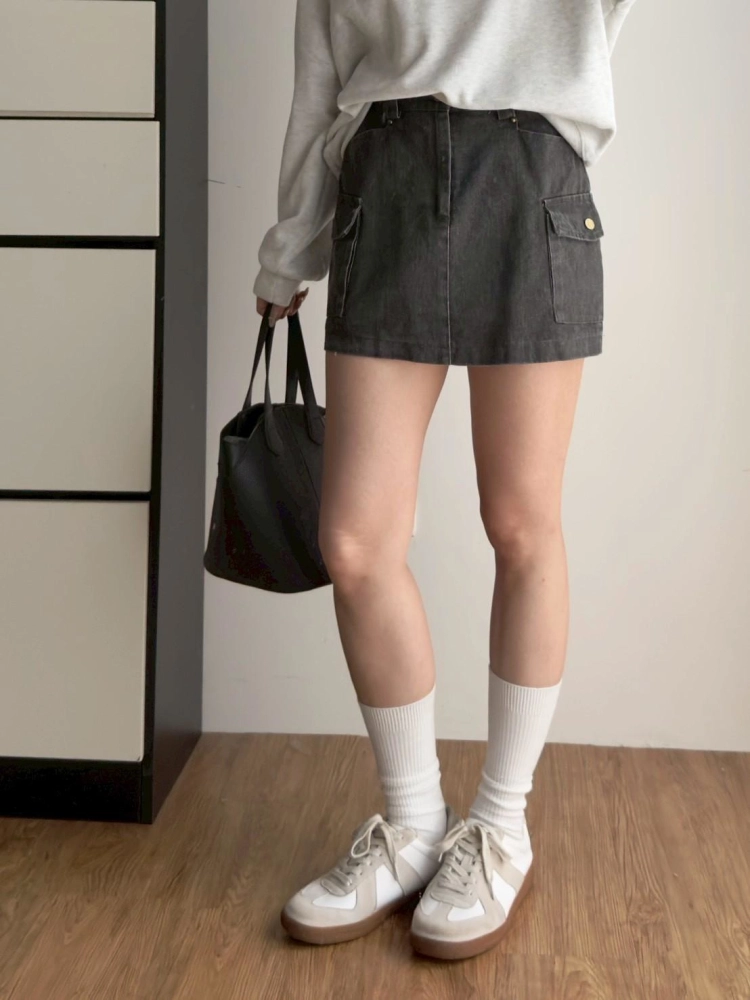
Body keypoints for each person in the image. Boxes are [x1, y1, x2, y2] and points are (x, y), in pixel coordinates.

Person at [254, 0, 637, 962]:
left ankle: (501, 825)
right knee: (355, 543)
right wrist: (291, 240)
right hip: (384, 175)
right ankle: (415, 820)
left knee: (522, 523)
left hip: (531, 171)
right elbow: (320, 74)